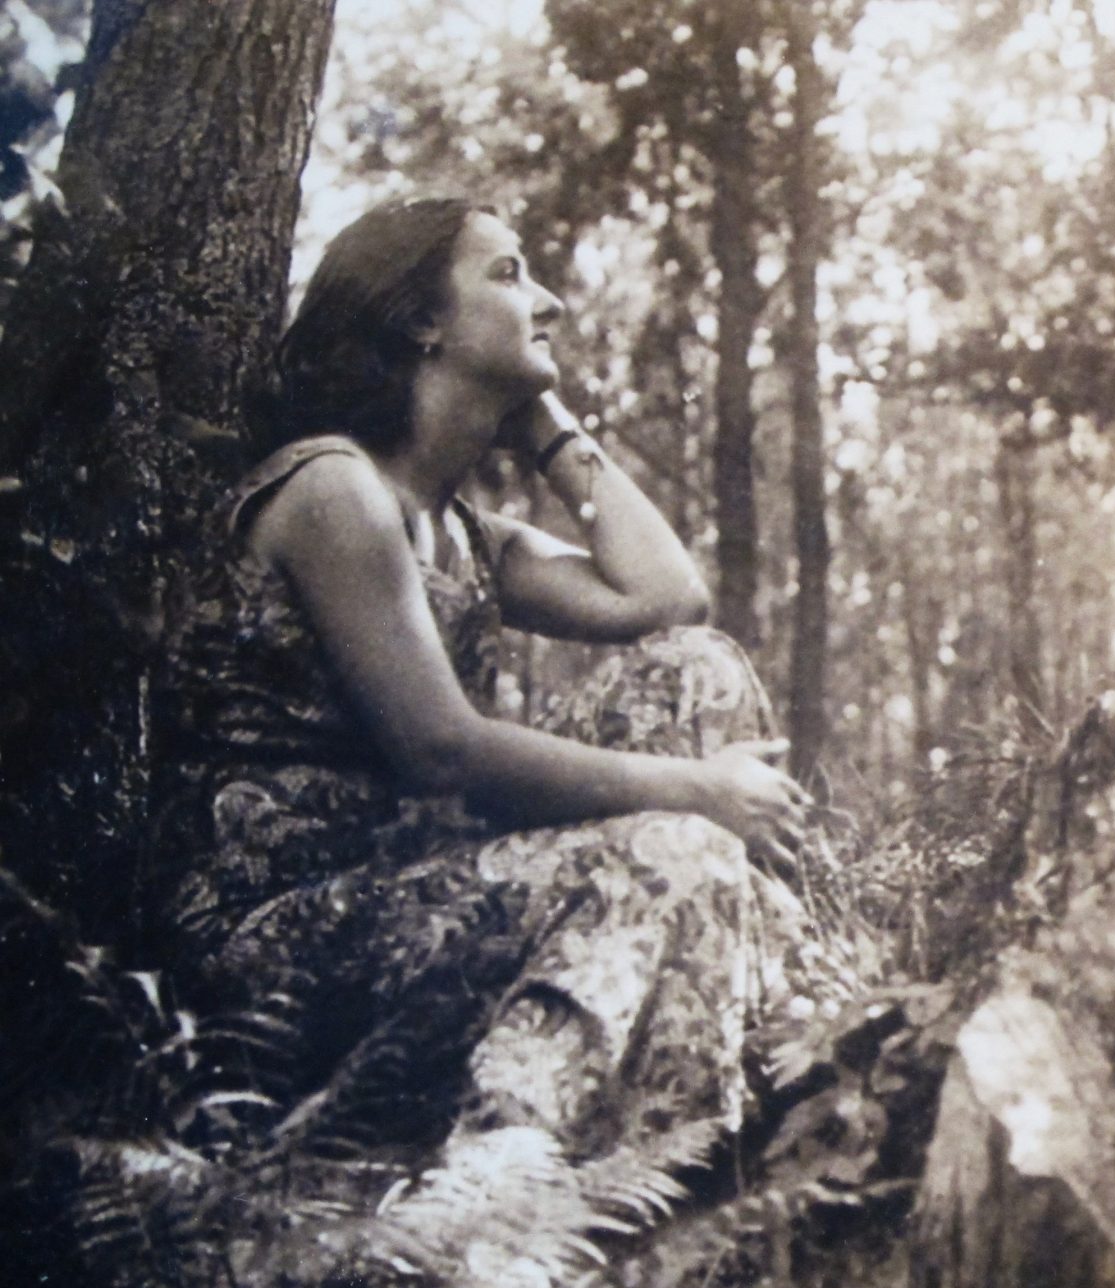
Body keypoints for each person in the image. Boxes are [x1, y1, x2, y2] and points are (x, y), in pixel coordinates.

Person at [148, 195, 859, 1163]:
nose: (550, 301)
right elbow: (439, 749)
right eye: (510, 274)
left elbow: (668, 598)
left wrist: (548, 426)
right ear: (421, 321)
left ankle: (706, 1119)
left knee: (696, 670)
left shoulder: (466, 536)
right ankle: (500, 1181)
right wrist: (697, 792)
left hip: (406, 900)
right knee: (680, 848)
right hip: (267, 957)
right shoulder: (332, 489)